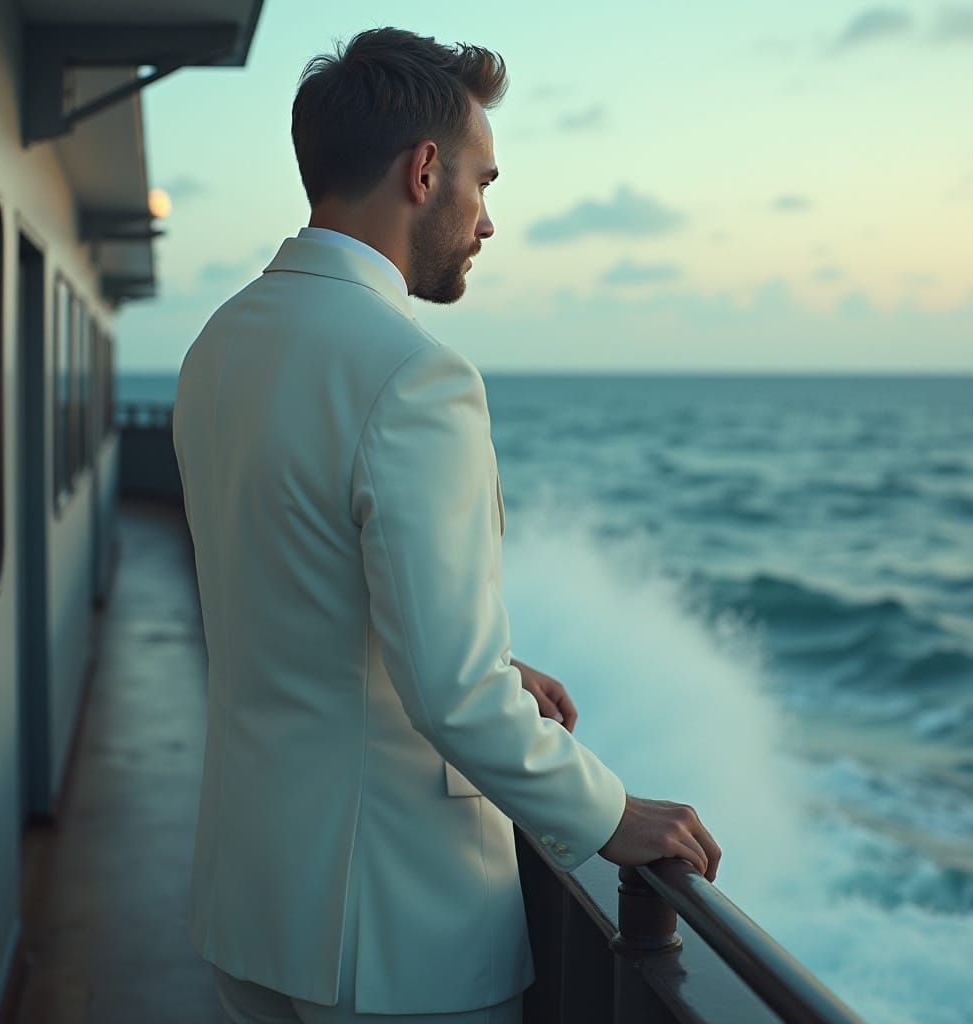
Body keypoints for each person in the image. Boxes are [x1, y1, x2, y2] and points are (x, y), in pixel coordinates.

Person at [171, 25, 721, 1024]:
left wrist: (482, 671)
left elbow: (291, 593)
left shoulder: (219, 345)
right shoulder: (413, 374)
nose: (487, 219)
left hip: (251, 900)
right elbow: (454, 695)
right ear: (424, 170)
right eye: (485, 181)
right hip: (392, 931)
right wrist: (610, 812)